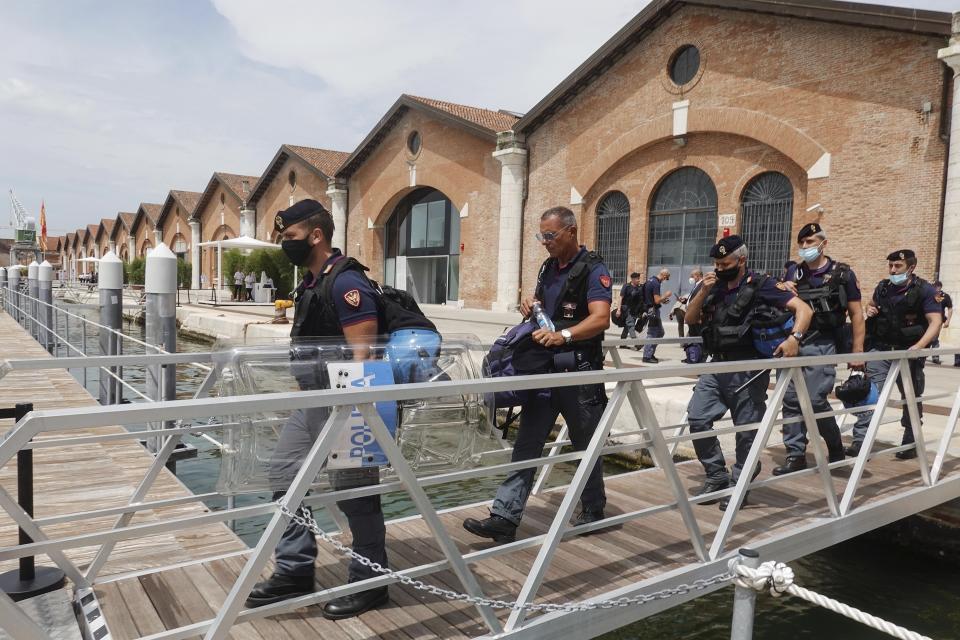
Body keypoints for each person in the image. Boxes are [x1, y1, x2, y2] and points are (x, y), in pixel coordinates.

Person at [245, 199, 441, 619]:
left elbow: (363, 352)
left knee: (355, 495)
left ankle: (369, 582)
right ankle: (295, 570)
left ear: (316, 236)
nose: (285, 244)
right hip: (313, 401)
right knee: (283, 473)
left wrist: (354, 414)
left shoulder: (344, 281)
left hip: (349, 403)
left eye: (291, 237)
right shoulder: (314, 282)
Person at [463, 206, 612, 542]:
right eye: (541, 236)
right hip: (545, 371)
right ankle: (504, 516)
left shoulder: (593, 269)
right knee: (527, 443)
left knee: (585, 443)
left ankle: (592, 508)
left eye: (550, 235)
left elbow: (601, 319)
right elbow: (544, 311)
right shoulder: (548, 267)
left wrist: (565, 335)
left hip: (579, 373)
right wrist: (530, 306)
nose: (545, 242)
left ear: (571, 231)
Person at [683, 235, 813, 510]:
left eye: (725, 262)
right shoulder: (712, 286)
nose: (719, 268)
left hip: (749, 368)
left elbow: (803, 310)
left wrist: (795, 338)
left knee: (746, 431)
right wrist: (703, 292)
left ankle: (740, 481)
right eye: (716, 263)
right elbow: (690, 318)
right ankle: (717, 474)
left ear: (741, 260)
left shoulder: (762, 284)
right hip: (717, 364)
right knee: (697, 417)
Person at [772, 223, 863, 475]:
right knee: (790, 400)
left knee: (813, 400)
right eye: (801, 243)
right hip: (793, 341)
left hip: (824, 342)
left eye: (810, 242)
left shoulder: (842, 274)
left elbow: (856, 313)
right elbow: (779, 302)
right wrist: (781, 288)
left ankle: (834, 447)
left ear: (823, 243)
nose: (805, 247)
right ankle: (795, 454)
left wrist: (858, 351)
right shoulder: (793, 272)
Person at [850, 249, 942, 459]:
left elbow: (935, 322)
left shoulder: (925, 290)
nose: (892, 270)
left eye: (897, 266)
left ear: (911, 267)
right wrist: (869, 309)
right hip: (881, 350)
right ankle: (861, 441)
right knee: (871, 395)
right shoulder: (883, 288)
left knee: (910, 398)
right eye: (890, 266)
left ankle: (910, 441)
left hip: (908, 353)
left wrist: (919, 346)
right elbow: (871, 305)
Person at [641, 268, 672, 363]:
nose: (665, 280)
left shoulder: (649, 280)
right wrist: (666, 295)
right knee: (652, 333)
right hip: (653, 311)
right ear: (664, 275)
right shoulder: (656, 283)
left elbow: (653, 298)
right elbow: (656, 300)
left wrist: (663, 300)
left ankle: (649, 353)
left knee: (659, 333)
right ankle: (647, 356)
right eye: (666, 278)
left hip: (650, 309)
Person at [616, 272, 643, 349]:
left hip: (635, 310)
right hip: (627, 309)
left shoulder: (639, 287)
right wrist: (618, 309)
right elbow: (620, 297)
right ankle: (636, 343)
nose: (638, 280)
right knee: (631, 325)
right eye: (637, 279)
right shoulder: (626, 286)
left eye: (639, 278)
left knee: (627, 326)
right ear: (633, 279)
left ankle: (622, 343)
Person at [930, 280, 951, 365]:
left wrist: (948, 321)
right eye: (934, 287)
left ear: (940, 287)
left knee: (934, 338)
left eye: (937, 287)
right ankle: (920, 355)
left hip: (939, 320)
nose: (936, 289)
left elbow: (950, 308)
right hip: (928, 320)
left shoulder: (945, 296)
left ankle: (935, 356)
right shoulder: (930, 295)